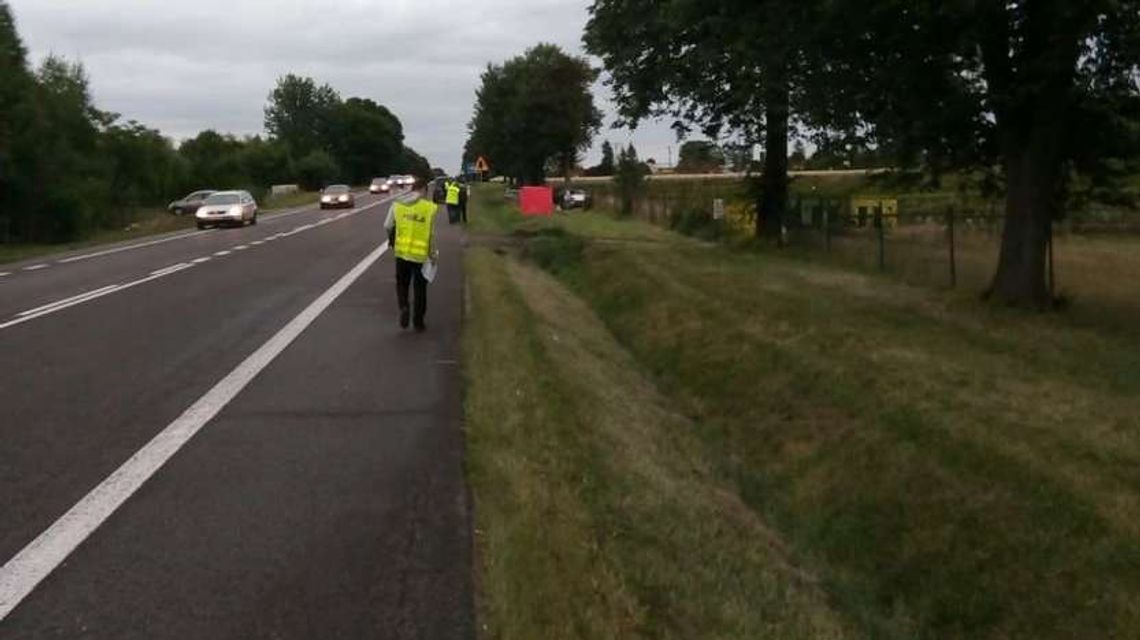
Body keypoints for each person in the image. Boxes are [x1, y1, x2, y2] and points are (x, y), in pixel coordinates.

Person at [384, 176, 438, 332]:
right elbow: (431, 234)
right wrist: (432, 253)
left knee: (402, 285)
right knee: (420, 289)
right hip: (421, 256)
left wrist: (393, 239)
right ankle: (418, 322)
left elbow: (387, 225)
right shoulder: (429, 208)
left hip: (402, 253)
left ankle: (404, 307)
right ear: (423, 190)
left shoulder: (397, 204)